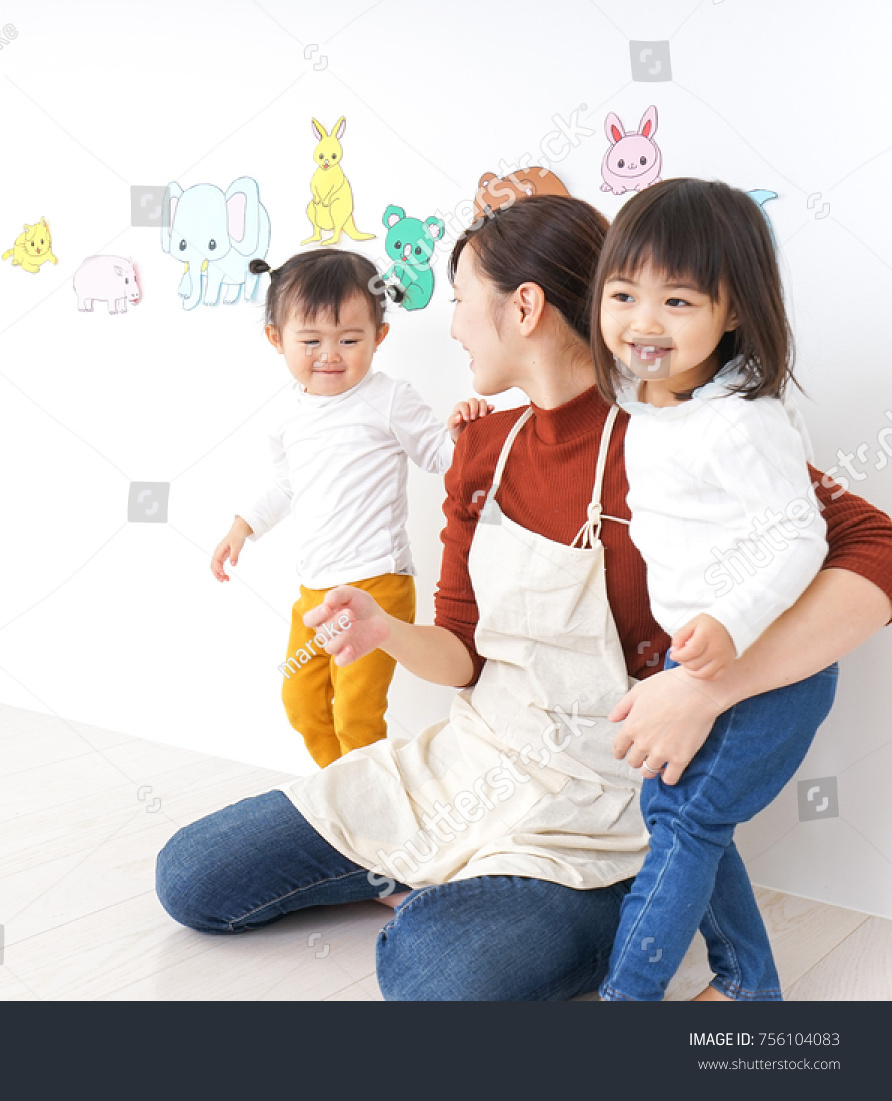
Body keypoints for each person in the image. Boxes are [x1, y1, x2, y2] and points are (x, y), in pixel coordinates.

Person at [155, 195, 892, 1000]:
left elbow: (876, 548)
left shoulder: (676, 434)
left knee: (435, 973)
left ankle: (614, 906)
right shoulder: (479, 447)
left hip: (599, 810)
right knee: (191, 876)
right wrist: (386, 629)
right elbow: (463, 656)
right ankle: (454, 872)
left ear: (526, 306)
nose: (456, 326)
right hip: (471, 761)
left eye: (463, 300)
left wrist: (706, 686)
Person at [591, 179, 833, 1001]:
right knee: (681, 817)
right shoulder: (644, 402)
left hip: (767, 669)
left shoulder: (741, 421)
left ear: (731, 312)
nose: (644, 322)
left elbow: (802, 535)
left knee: (685, 823)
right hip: (700, 663)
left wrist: (730, 621)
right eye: (623, 294)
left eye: (679, 300)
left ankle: (629, 998)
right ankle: (748, 987)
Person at [209, 250, 481, 767]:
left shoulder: (389, 398)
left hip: (377, 584)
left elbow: (442, 459)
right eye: (310, 341)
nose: (330, 355)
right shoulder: (288, 414)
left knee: (356, 714)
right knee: (302, 703)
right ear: (276, 339)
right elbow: (287, 484)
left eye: (350, 340)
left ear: (379, 336)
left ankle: (367, 804)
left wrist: (463, 430)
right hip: (316, 590)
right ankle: (339, 791)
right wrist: (242, 526)